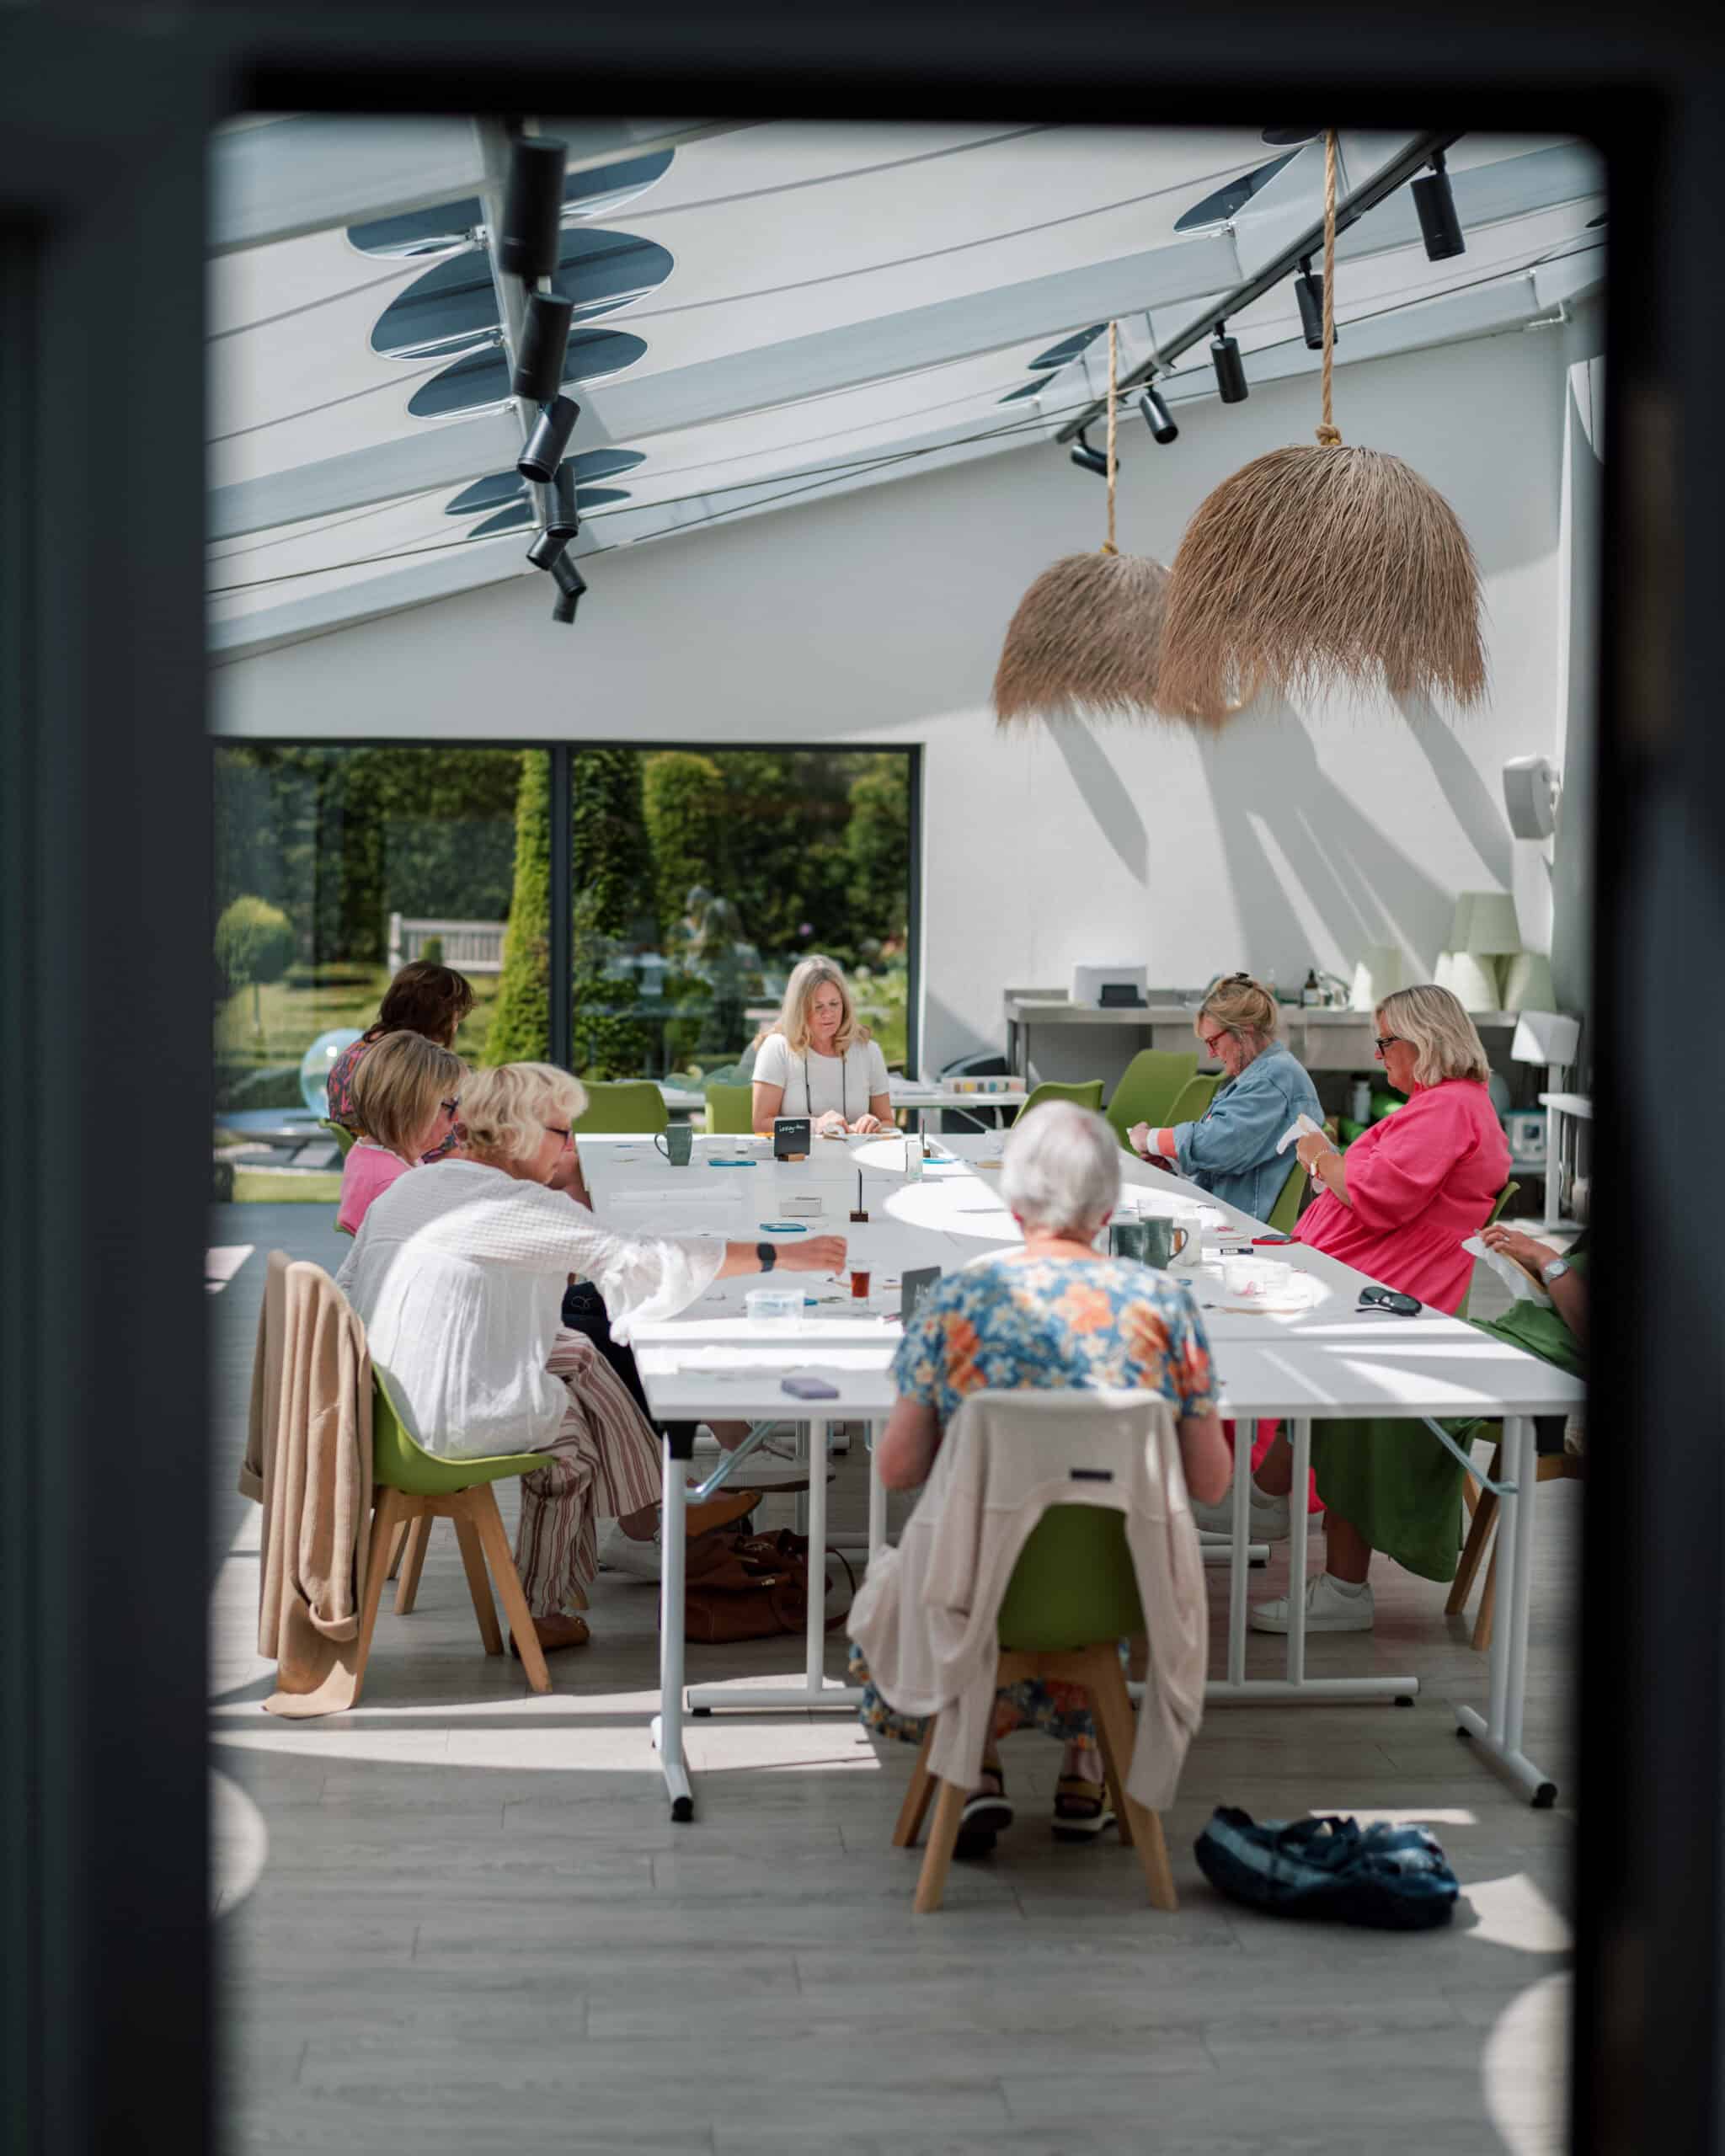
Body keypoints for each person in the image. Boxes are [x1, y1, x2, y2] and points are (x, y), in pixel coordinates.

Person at [336, 1062, 847, 1652]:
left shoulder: (413, 1187)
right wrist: (778, 1253)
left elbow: (346, 1287)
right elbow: (644, 1261)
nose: (572, 1146)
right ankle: (540, 1610)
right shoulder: (515, 1205)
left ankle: (663, 1506)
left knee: (575, 1349)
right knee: (571, 1441)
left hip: (381, 1395)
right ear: (519, 1134)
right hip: (434, 1424)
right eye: (563, 1132)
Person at [855, 1101, 1230, 1853]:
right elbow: (1212, 1482)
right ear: (1109, 1208)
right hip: (1119, 1597)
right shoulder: (1164, 1306)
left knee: (927, 1567)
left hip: (973, 1588)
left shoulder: (960, 1303)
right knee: (1089, 1529)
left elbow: (896, 1469)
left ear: (1014, 1203)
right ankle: (1086, 1765)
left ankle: (976, 1767)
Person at [1240, 985, 1513, 1633]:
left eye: (1386, 1041)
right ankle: (1265, 1498)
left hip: (1384, 1299)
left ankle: (1302, 1541)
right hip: (1374, 1284)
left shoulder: (1449, 1108)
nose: (1378, 1053)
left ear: (1425, 1039)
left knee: (1275, 1348)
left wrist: (1320, 1157)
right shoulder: (1443, 1104)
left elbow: (1377, 1194)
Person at [1127, 972, 1322, 1220]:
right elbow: (1235, 1149)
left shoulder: (1273, 1080)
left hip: (1242, 1224)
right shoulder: (1266, 1074)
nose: (1211, 1054)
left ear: (1244, 1031)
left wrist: (1149, 1139)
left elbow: (1218, 1144)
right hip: (1230, 1211)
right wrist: (1174, 1162)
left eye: (1214, 1042)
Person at [326, 960, 476, 1155]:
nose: (456, 1024)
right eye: (455, 1015)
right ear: (437, 1017)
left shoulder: (357, 1052)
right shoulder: (406, 1067)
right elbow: (435, 1139)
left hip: (371, 1160)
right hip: (407, 1164)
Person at [336, 1033, 464, 1235]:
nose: (458, 1116)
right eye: (450, 1105)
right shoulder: (394, 1186)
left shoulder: (368, 1155)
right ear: (411, 1109)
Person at [751, 955, 892, 1137]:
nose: (828, 1014)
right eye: (818, 1007)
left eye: (834, 1004)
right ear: (799, 1009)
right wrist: (816, 1125)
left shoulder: (869, 1051)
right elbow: (761, 1124)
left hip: (856, 1154)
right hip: (797, 1155)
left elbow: (887, 1121)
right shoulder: (777, 1048)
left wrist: (875, 1124)